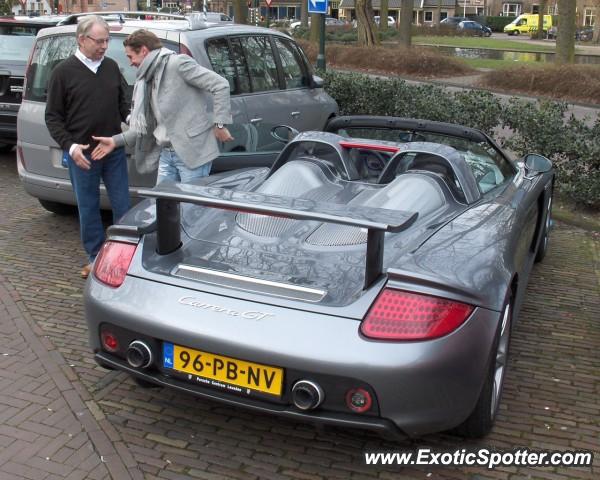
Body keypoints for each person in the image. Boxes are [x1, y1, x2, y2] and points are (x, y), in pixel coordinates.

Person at [45, 15, 130, 279]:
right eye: (100, 41)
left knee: (123, 205)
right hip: (83, 154)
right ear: (81, 39)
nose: (105, 46)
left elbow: (123, 105)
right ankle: (95, 258)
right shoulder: (63, 72)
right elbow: (53, 117)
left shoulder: (112, 67)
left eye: (107, 40)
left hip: (113, 150)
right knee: (88, 208)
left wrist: (133, 123)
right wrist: (70, 148)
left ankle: (124, 257)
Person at [91, 29, 233, 184]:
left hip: (193, 153)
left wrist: (220, 124)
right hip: (166, 153)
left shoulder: (178, 64)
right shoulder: (145, 79)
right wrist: (114, 141)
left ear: (144, 51)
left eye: (130, 56)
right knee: (162, 205)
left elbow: (220, 85)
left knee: (191, 208)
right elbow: (146, 126)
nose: (130, 62)